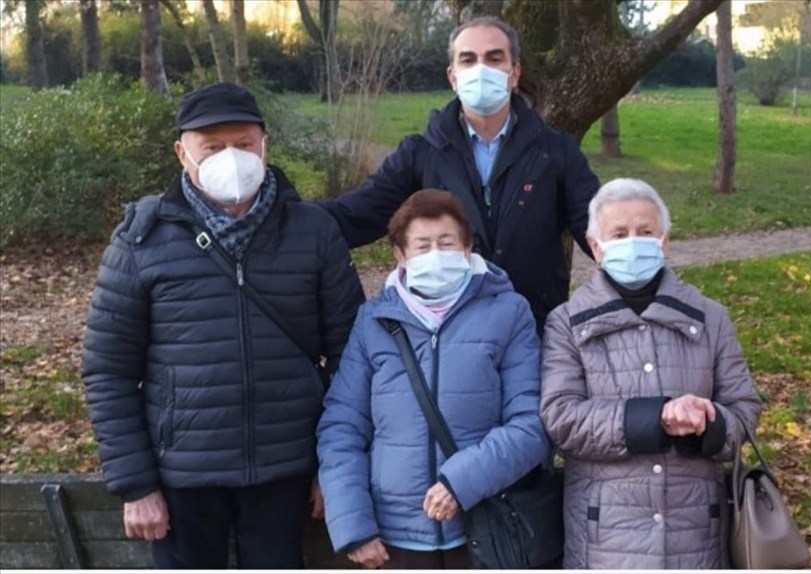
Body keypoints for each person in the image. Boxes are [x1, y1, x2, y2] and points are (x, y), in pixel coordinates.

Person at [81, 82, 365, 569]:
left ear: (264, 145)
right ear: (182, 153)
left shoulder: (313, 230)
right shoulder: (141, 240)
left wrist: (336, 469)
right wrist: (137, 484)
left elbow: (354, 357)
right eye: (212, 147)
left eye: (243, 144)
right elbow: (108, 370)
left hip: (286, 470)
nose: (231, 159)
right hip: (183, 479)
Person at [316, 189, 551, 569]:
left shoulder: (509, 312)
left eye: (446, 242)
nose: (435, 255)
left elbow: (532, 424)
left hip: (483, 525)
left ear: (468, 247)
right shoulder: (373, 321)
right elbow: (342, 427)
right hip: (393, 538)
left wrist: (462, 483)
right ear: (400, 255)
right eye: (422, 245)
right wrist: (353, 526)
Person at [321, 16, 600, 333]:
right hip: (452, 334)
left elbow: (601, 231)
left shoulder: (555, 151)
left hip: (535, 331)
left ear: (515, 73)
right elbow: (356, 214)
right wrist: (284, 214)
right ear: (453, 77)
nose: (481, 69)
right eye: (468, 59)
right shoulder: (421, 153)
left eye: (494, 58)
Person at [540, 178, 763, 569]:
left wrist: (706, 423)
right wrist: (657, 417)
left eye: (645, 232)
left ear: (664, 240)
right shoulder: (566, 322)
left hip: (697, 534)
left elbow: (744, 413)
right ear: (595, 246)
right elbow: (561, 419)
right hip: (604, 539)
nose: (633, 242)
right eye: (620, 233)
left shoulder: (711, 317)